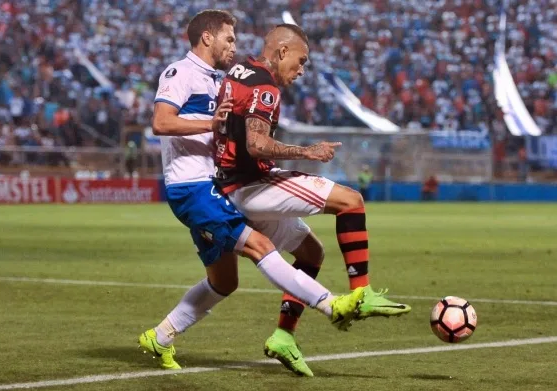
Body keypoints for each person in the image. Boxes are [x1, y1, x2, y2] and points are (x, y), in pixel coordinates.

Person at [138, 10, 379, 373]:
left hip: (217, 185)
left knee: (225, 281)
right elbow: (160, 122)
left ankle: (161, 335)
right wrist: (213, 122)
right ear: (207, 38)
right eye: (229, 39)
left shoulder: (220, 78)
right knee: (260, 247)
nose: (234, 46)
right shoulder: (180, 73)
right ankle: (331, 305)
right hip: (193, 187)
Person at [214, 23, 412, 377]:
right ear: (281, 52)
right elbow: (256, 145)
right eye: (301, 61)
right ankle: (361, 292)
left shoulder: (239, 70)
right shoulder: (265, 84)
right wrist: (308, 151)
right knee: (351, 201)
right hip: (251, 184)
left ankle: (283, 337)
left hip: (232, 185)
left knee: (311, 253)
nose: (302, 69)